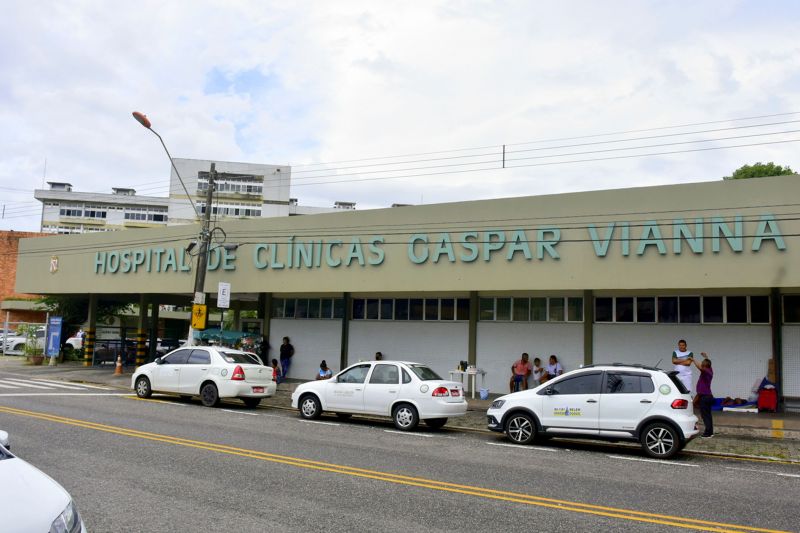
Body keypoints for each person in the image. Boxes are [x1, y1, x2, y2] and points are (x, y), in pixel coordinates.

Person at [692, 353, 714, 438]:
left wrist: (693, 360)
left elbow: (700, 367)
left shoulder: (706, 371)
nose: (701, 364)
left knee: (705, 416)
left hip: (705, 398)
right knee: (708, 415)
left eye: (702, 363)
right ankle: (710, 432)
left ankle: (707, 433)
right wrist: (706, 357)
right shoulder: (710, 370)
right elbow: (708, 364)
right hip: (708, 397)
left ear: (704, 365)